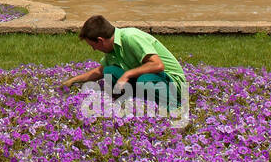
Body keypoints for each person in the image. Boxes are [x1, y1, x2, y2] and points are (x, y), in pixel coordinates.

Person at [60, 15, 188, 109]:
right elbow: (100, 71)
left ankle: (174, 108)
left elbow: (158, 65)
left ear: (100, 40)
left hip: (172, 82)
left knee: (145, 79)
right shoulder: (112, 48)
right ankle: (133, 104)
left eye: (93, 45)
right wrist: (72, 81)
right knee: (110, 71)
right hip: (147, 79)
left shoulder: (130, 37)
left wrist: (127, 75)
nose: (94, 49)